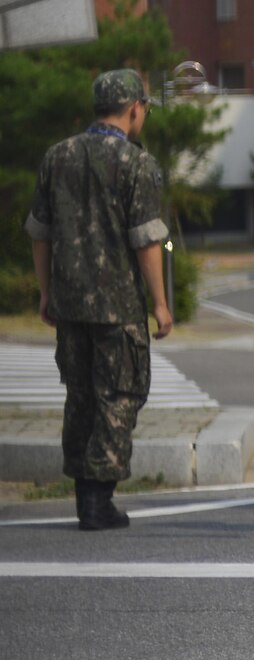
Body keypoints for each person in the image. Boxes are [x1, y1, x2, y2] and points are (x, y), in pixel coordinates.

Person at [25, 69, 171, 531]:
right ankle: (98, 498)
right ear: (134, 109)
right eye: (143, 108)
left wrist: (46, 291)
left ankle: (83, 494)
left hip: (69, 303)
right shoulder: (136, 164)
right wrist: (161, 303)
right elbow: (148, 241)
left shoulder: (57, 156)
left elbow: (40, 233)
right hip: (118, 305)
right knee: (120, 395)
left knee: (81, 395)